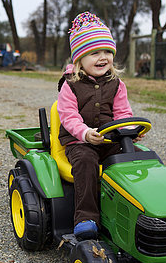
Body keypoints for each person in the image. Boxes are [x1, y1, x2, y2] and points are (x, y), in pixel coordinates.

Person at [57, 12, 142, 240]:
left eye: (107, 52)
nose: (102, 57)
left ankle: (143, 214)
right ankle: (86, 217)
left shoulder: (117, 84)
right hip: (79, 141)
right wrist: (84, 133)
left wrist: (128, 133)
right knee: (86, 162)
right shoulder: (70, 85)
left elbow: (123, 113)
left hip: (109, 140)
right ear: (79, 59)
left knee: (142, 158)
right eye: (95, 53)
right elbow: (68, 116)